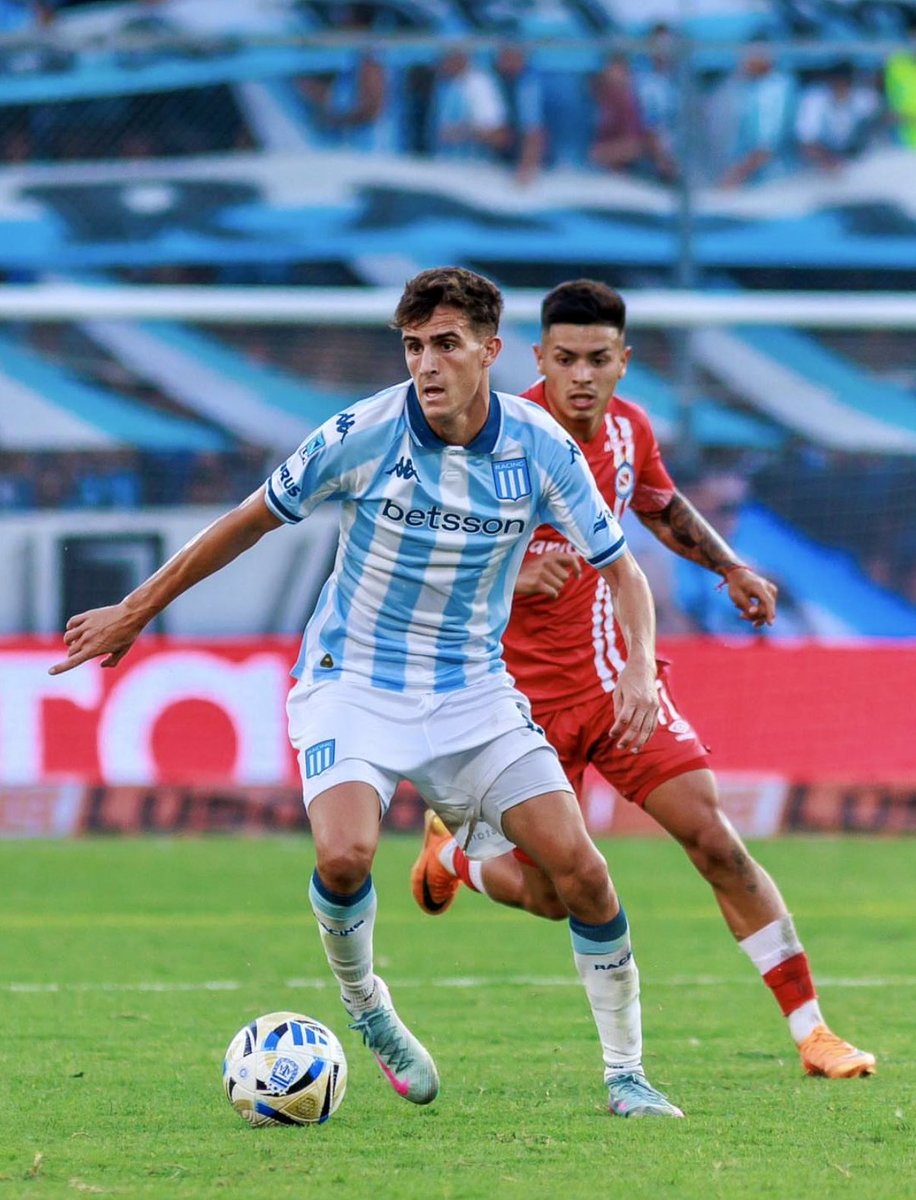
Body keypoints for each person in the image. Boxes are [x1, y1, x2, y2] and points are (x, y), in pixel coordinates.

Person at [49, 267, 683, 1119]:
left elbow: (623, 570)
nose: (427, 364)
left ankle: (627, 1075)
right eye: (414, 346)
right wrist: (136, 610)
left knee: (582, 875)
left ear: (490, 351)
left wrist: (640, 665)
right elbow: (245, 520)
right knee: (344, 856)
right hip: (352, 682)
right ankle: (367, 1008)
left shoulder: (541, 448)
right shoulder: (362, 433)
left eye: (447, 345)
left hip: (472, 692)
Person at [411, 279, 876, 1082]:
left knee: (716, 840)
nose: (581, 376)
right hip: (516, 710)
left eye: (598, 359)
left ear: (624, 362)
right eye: (565, 359)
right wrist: (514, 577)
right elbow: (422, 564)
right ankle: (455, 859)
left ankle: (813, 1033)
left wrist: (729, 567)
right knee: (554, 896)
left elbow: (658, 506)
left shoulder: (630, 430)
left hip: (616, 687)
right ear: (537, 359)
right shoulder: (490, 440)